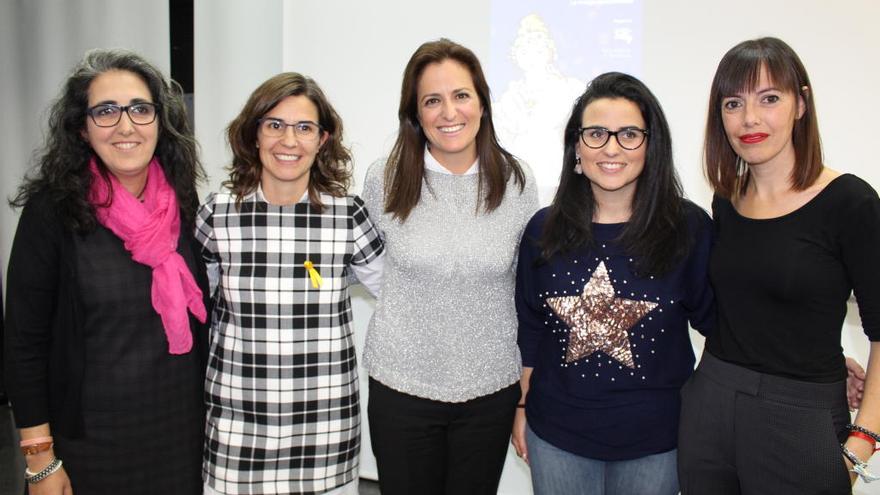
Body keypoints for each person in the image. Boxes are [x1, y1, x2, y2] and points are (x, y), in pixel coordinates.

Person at [677, 37, 880, 494]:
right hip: (710, 403)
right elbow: (752, 307)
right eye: (734, 103)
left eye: (769, 98)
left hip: (801, 417)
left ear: (801, 105)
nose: (750, 118)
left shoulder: (851, 203)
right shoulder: (727, 200)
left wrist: (864, 439)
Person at [5, 49, 209, 494]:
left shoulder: (185, 206)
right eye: (106, 111)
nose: (125, 125)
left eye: (140, 109)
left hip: (181, 435)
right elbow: (24, 343)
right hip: (89, 443)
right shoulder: (52, 212)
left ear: (160, 121)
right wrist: (40, 459)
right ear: (81, 128)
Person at [512, 72, 714, 495]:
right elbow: (531, 331)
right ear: (577, 146)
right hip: (557, 437)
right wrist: (522, 406)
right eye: (597, 133)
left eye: (629, 134)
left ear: (651, 145)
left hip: (657, 442)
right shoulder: (542, 230)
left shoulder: (688, 228)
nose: (611, 148)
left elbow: (723, 326)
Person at [361, 38, 539, 495]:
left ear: (481, 102)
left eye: (461, 95)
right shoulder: (385, 177)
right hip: (401, 387)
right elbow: (372, 266)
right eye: (432, 100)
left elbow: (527, 289)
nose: (448, 112)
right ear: (415, 113)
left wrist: (523, 396)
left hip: (491, 390)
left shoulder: (518, 181)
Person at [196, 72, 384, 495]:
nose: (289, 140)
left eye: (304, 127)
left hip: (324, 428)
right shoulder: (218, 214)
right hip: (235, 428)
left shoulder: (347, 215)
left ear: (323, 140)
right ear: (254, 134)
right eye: (274, 125)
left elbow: (396, 295)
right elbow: (194, 307)